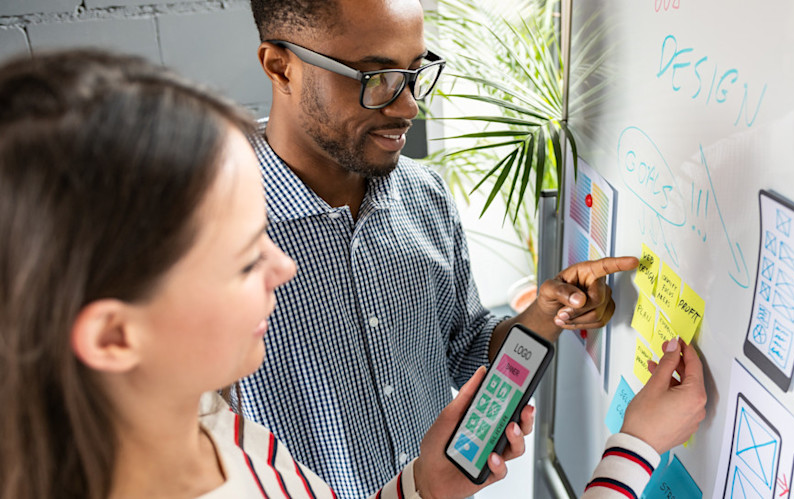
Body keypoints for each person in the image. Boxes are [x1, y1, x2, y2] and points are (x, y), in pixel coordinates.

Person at [0, 49, 707, 499]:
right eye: (245, 257)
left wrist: (426, 483)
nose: (281, 264)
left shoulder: (230, 441)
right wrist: (635, 448)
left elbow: (463, 338)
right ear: (116, 334)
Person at [242, 0, 639, 495]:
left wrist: (545, 312)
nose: (408, 106)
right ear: (281, 67)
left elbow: (466, 344)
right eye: (375, 78)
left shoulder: (424, 195)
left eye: (415, 72)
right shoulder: (207, 238)